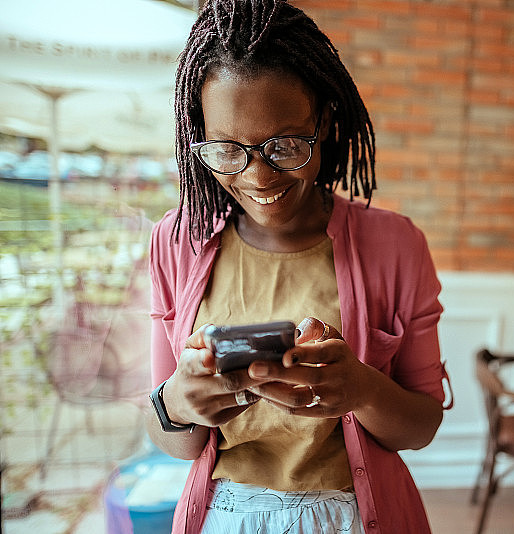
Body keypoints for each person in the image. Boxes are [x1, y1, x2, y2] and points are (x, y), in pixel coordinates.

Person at [145, 1, 451, 533]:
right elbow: (175, 442)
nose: (259, 177)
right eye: (226, 149)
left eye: (285, 145)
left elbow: (420, 426)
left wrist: (361, 388)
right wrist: (178, 400)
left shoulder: (396, 246)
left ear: (325, 122)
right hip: (224, 516)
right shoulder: (178, 241)